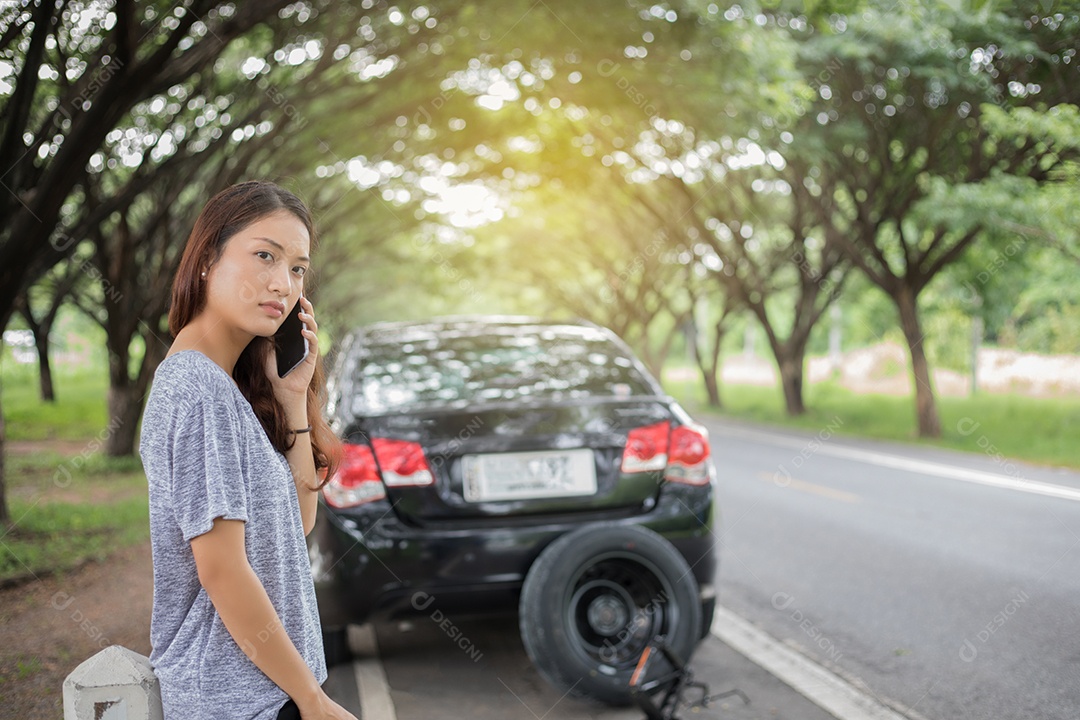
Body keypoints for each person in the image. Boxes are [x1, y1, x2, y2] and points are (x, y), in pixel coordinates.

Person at [138, 181, 356, 720]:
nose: (282, 283)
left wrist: (291, 403)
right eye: (265, 255)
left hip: (270, 691)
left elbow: (297, 522)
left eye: (298, 268)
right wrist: (312, 700)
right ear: (209, 258)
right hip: (238, 698)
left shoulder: (227, 388)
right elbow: (222, 570)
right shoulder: (195, 388)